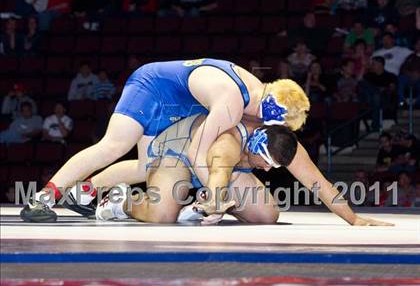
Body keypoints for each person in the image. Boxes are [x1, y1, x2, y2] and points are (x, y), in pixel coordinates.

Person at [20, 58, 310, 222]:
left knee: (148, 167)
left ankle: (83, 191)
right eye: (280, 123)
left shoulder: (257, 97)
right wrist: (214, 198)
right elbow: (198, 153)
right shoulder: (234, 104)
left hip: (177, 103)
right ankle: (42, 199)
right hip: (153, 88)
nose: (274, 128)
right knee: (113, 146)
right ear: (275, 109)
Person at [92, 114, 392, 227]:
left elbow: (318, 182)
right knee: (162, 216)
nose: (268, 170)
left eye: (274, 167)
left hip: (218, 169)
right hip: (178, 154)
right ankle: (122, 201)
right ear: (254, 148)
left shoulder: (283, 143)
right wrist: (216, 202)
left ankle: (196, 206)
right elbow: (219, 172)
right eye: (266, 164)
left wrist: (353, 219)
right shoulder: (230, 142)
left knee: (267, 215)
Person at [358, 56, 397, 131]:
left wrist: (384, 89)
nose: (371, 65)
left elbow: (392, 89)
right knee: (362, 83)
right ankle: (375, 125)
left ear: (380, 65)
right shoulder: (368, 76)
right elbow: (360, 84)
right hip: (368, 98)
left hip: (384, 99)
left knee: (376, 96)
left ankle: (375, 125)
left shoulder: (390, 76)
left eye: (373, 64)